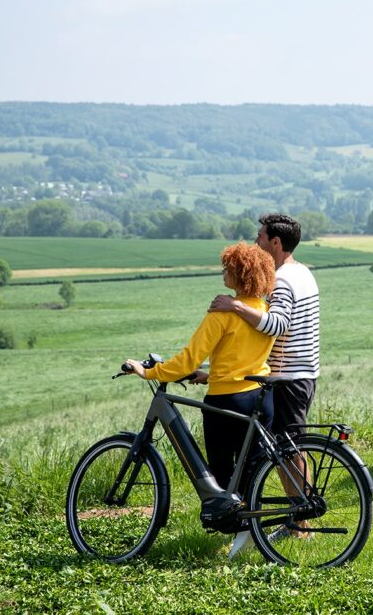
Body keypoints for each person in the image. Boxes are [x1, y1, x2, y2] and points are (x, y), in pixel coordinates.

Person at [124, 242, 276, 558]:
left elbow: (189, 358)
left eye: (226, 267)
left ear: (238, 272)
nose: (222, 271)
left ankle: (239, 532)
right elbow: (242, 357)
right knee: (251, 471)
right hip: (259, 397)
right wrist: (209, 374)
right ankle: (249, 533)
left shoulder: (223, 313)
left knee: (221, 474)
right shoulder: (263, 313)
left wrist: (148, 372)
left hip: (227, 401)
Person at [208, 213, 320, 538]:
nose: (255, 243)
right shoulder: (303, 272)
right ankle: (297, 520)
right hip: (302, 373)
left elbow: (278, 324)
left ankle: (300, 524)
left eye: (259, 237)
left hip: (288, 377)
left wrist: (235, 307)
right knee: (289, 448)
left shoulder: (283, 279)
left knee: (290, 448)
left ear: (276, 242)